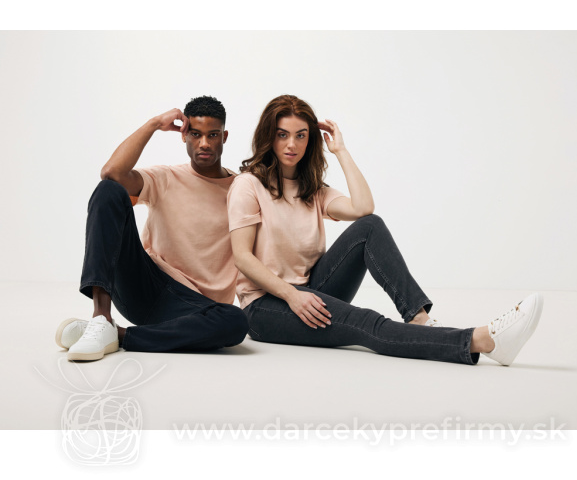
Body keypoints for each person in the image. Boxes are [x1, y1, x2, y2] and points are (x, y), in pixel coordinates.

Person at [227, 94, 543, 366]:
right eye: (282, 135)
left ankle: (419, 318)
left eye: (301, 135)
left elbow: (363, 208)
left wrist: (341, 151)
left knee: (370, 227)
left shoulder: (313, 190)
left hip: (313, 290)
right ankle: (482, 340)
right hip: (266, 307)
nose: (291, 144)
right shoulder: (248, 185)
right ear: (269, 137)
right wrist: (291, 295)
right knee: (365, 322)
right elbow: (242, 257)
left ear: (311, 140)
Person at [55, 96, 249, 362]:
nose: (204, 143)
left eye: (213, 135)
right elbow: (111, 173)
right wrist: (154, 124)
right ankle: (101, 318)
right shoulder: (166, 177)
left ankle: (118, 335)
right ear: (184, 136)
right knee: (109, 190)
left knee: (235, 321)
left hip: (194, 308)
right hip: (145, 285)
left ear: (224, 137)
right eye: (196, 134)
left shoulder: (242, 190)